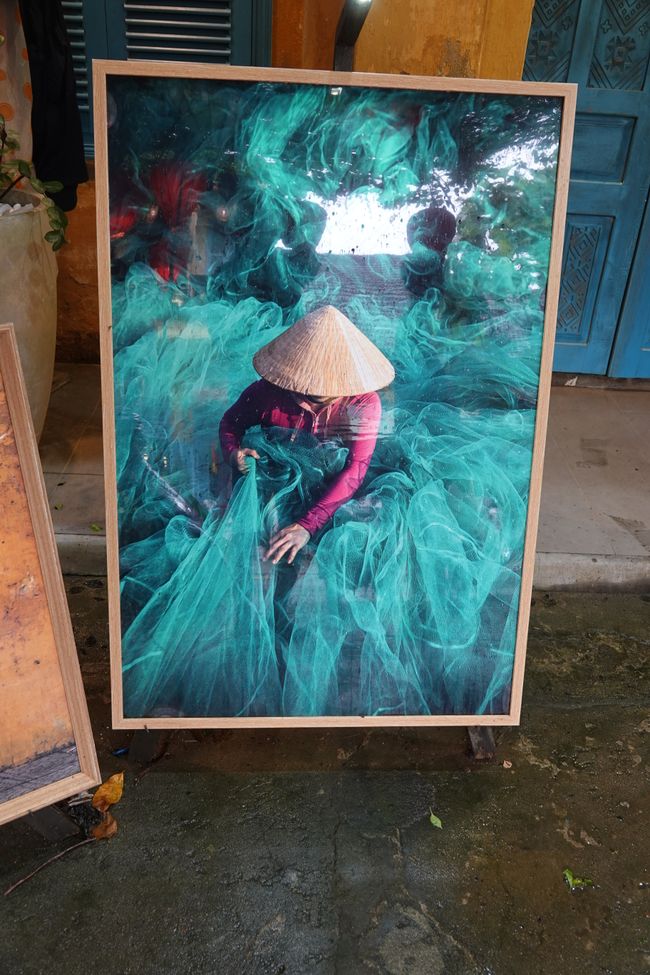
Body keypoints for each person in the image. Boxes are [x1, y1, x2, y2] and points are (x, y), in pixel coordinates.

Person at [219, 305, 395, 565]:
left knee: (345, 557)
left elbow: (356, 468)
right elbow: (230, 423)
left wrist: (307, 525)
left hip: (337, 492)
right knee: (275, 556)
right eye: (308, 390)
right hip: (276, 488)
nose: (317, 393)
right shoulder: (266, 393)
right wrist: (233, 452)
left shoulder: (363, 403)